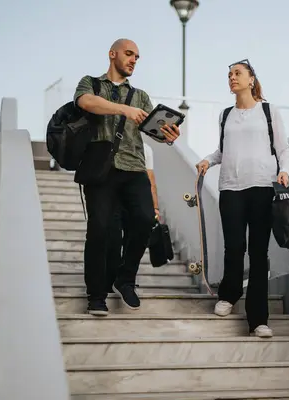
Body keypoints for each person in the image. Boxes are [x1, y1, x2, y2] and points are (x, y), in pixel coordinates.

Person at [73, 38, 180, 316]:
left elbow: (151, 130)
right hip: (101, 170)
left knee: (146, 219)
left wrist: (168, 135)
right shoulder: (91, 84)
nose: (134, 60)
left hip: (134, 168)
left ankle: (125, 277)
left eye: (137, 57)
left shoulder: (141, 96)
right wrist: (123, 109)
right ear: (112, 54)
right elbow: (87, 103)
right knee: (99, 229)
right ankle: (96, 295)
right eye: (129, 54)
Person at [196, 59, 289, 338]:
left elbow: (284, 148)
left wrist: (285, 171)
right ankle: (228, 295)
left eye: (237, 73)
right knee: (234, 247)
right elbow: (222, 151)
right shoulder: (225, 115)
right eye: (229, 74)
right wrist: (207, 160)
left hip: (262, 187)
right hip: (231, 188)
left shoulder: (268, 110)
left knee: (259, 253)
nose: (232, 78)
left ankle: (258, 319)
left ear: (252, 79)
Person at [106, 142, 159, 294]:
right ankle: (113, 278)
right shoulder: (143, 147)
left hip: (132, 200)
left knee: (128, 236)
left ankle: (124, 279)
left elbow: (150, 180)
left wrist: (154, 207)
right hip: (116, 197)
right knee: (114, 236)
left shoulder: (145, 148)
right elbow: (151, 180)